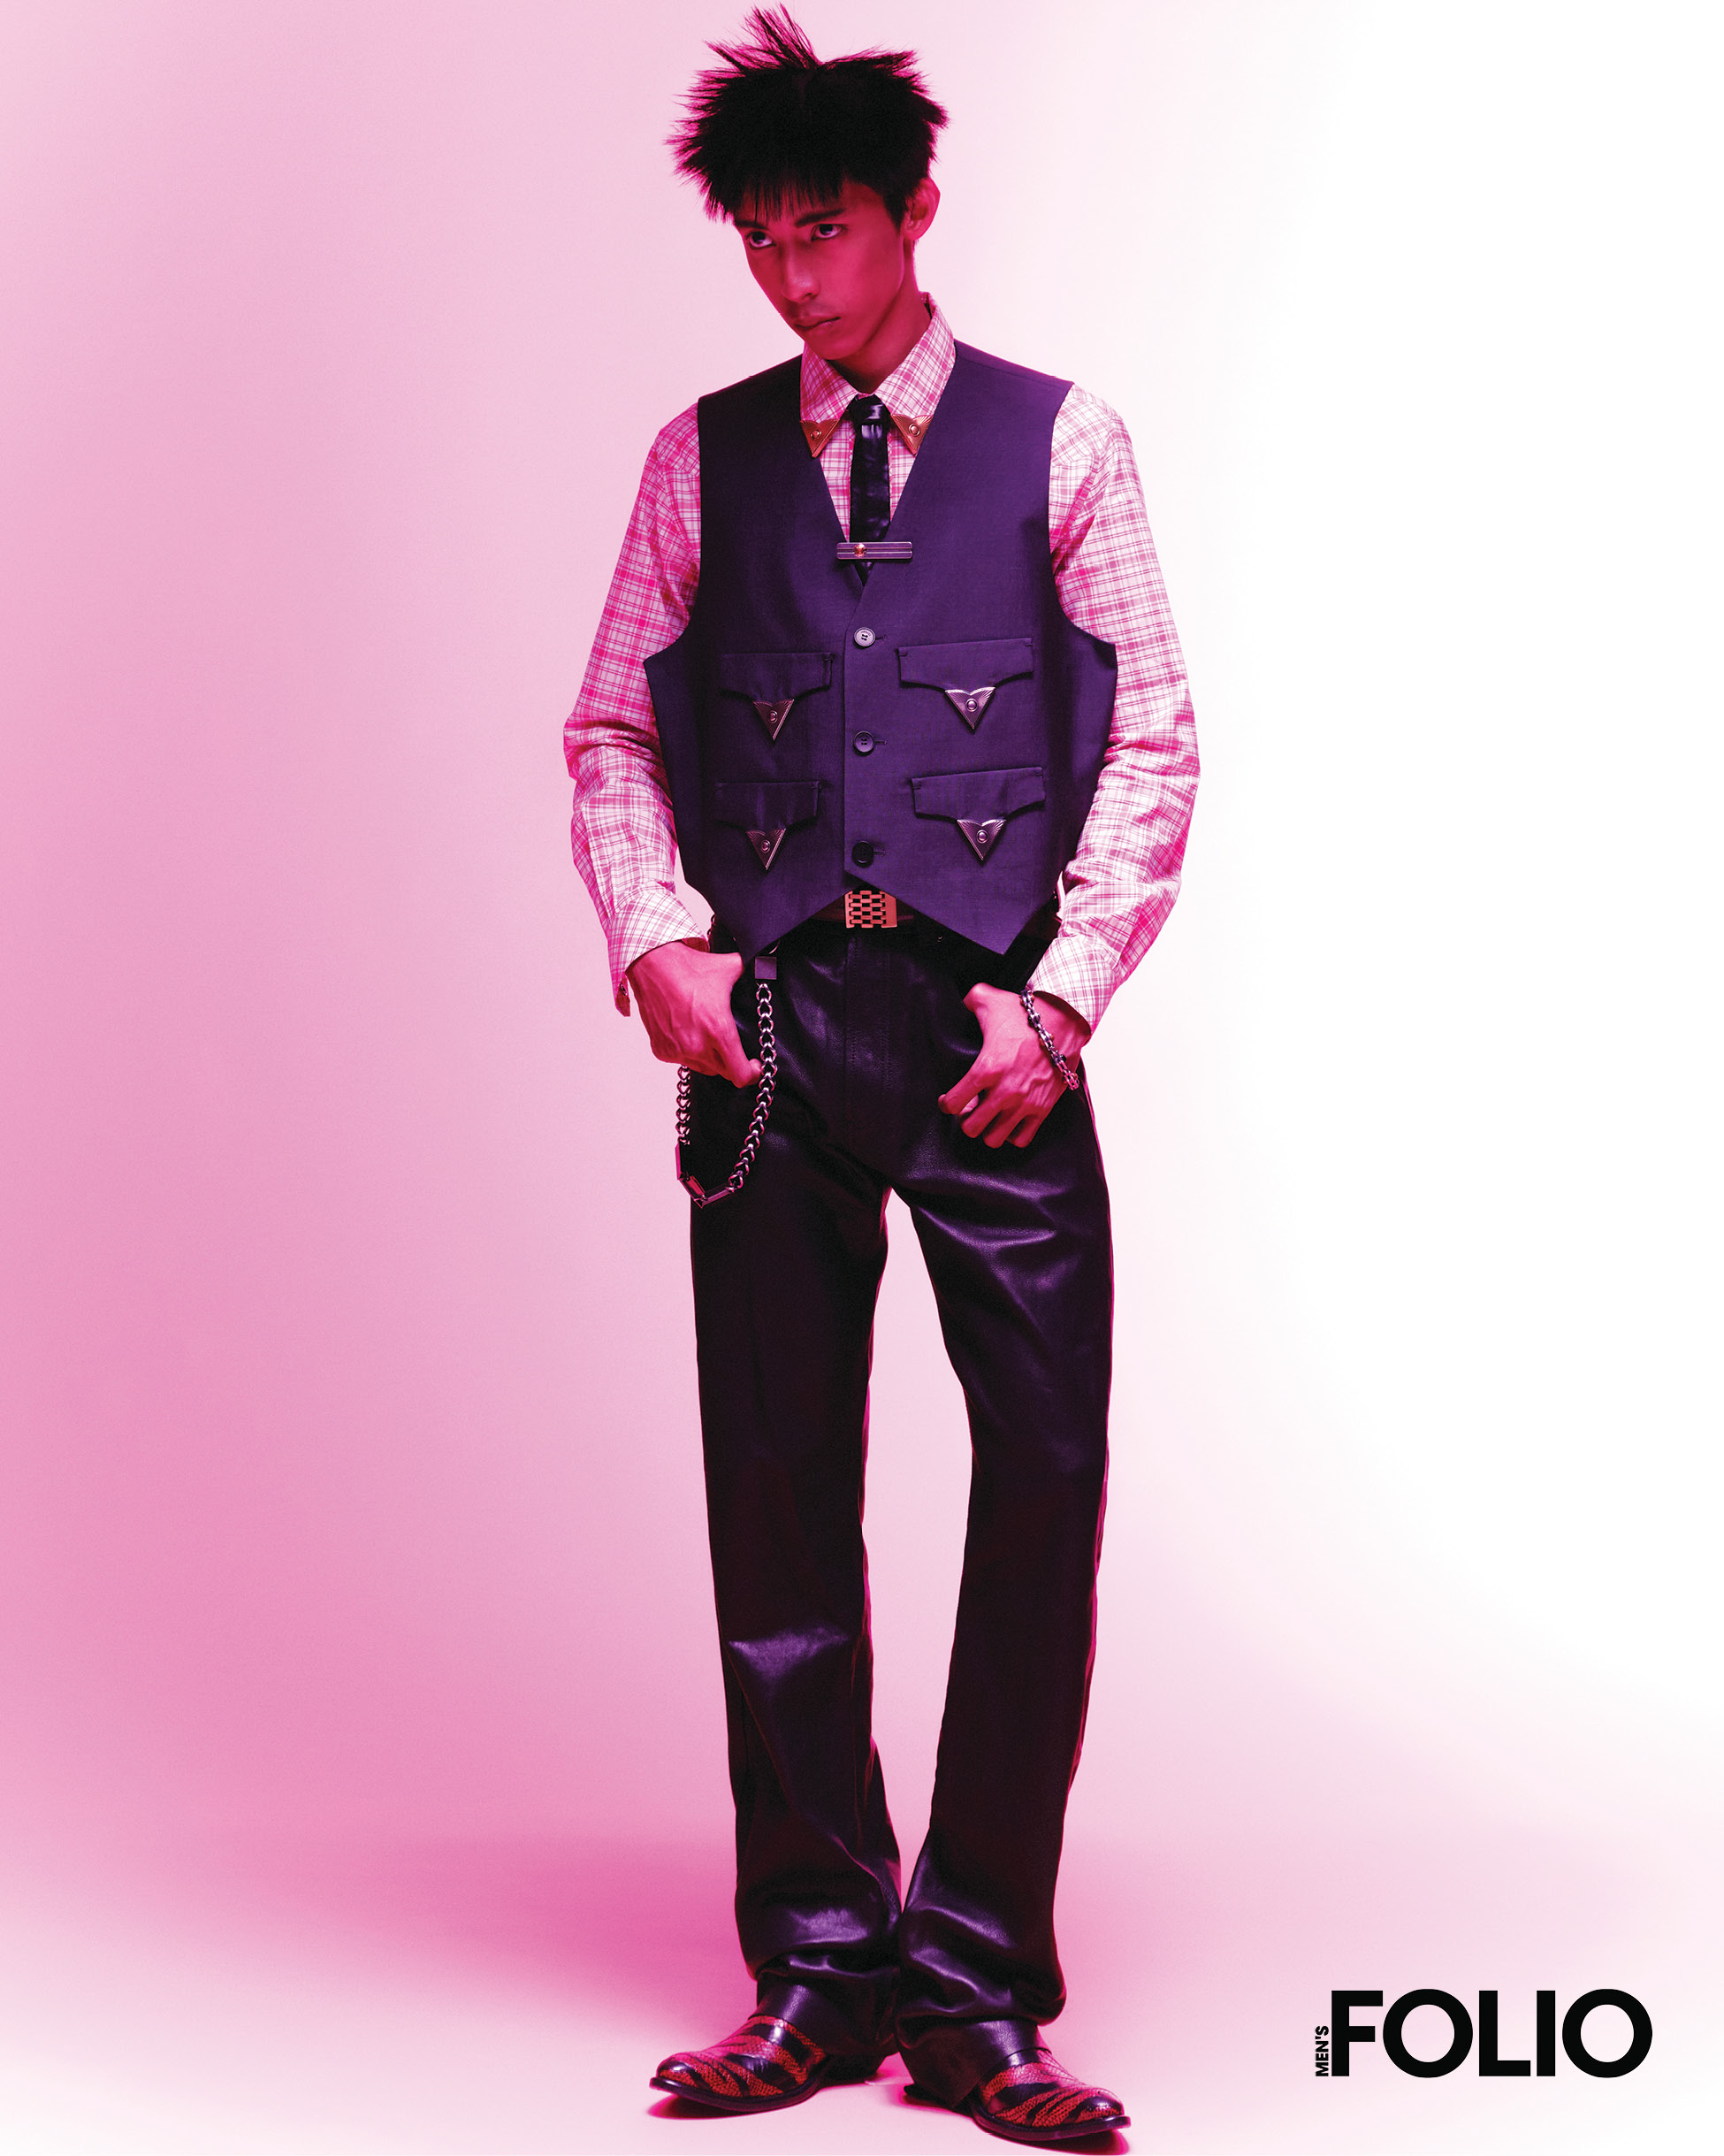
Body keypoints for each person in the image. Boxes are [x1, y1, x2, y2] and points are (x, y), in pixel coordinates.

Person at [564, 10, 1197, 2144]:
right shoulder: (699, 459)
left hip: (988, 1030)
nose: (790, 274)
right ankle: (819, 1969)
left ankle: (979, 1987)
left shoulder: (1066, 443)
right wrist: (655, 934)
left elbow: (1155, 736)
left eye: (821, 227)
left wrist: (1064, 997)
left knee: (1040, 1483)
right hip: (770, 1034)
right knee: (776, 1492)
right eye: (758, 237)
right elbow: (610, 726)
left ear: (915, 211)